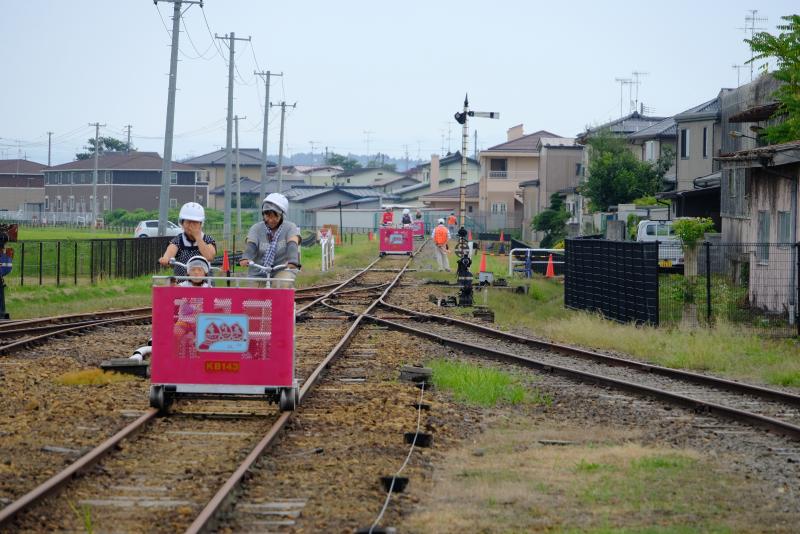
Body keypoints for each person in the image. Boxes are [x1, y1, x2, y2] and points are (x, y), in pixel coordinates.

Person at [239, 193, 301, 288]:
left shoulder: (290, 227)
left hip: (282, 269)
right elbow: (251, 245)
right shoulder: (256, 228)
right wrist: (246, 257)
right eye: (267, 216)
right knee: (252, 292)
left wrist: (293, 260)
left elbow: (292, 243)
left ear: (282, 215)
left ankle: (282, 297)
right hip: (258, 272)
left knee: (281, 284)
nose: (271, 220)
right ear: (263, 214)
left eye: (275, 216)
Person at [159, 202, 217, 278]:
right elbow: (169, 253)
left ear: (201, 224)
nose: (191, 226)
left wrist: (197, 237)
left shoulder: (208, 239)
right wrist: (165, 259)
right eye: (188, 222)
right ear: (182, 223)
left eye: (195, 222)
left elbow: (209, 257)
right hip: (182, 282)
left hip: (205, 282)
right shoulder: (177, 240)